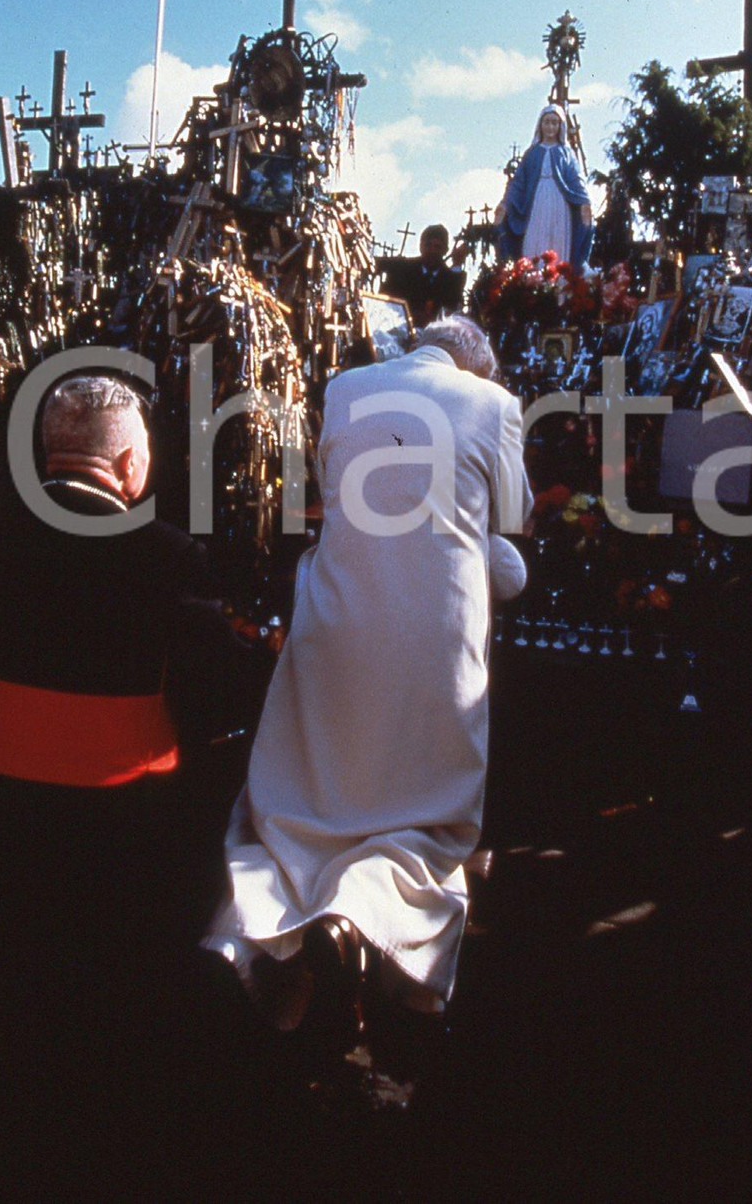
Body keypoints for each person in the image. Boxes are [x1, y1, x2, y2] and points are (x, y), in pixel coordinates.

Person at [0, 373, 249, 1193]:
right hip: (130, 851)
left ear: (49, 457)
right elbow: (216, 704)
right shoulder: (169, 560)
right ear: (133, 465)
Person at [202, 316, 532, 1072]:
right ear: (480, 368)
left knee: (305, 800)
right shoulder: (493, 406)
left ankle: (250, 932)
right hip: (434, 639)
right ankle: (367, 926)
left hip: (339, 622)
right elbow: (510, 522)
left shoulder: (346, 387)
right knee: (422, 816)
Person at [495, 102, 593, 269]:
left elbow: (576, 180)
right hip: (536, 203)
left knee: (558, 240)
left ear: (560, 126)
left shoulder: (566, 153)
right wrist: (505, 204)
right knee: (535, 238)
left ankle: (558, 283)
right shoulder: (532, 153)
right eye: (547, 122)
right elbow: (518, 183)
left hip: (560, 203)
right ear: (540, 125)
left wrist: (585, 201)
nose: (550, 127)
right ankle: (533, 279)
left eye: (554, 123)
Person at [378, 223, 468, 328]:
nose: (432, 251)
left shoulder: (451, 279)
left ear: (445, 250)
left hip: (434, 337)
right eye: (428, 245)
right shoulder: (401, 268)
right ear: (420, 246)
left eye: (437, 247)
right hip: (397, 332)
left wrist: (457, 264)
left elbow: (453, 305)